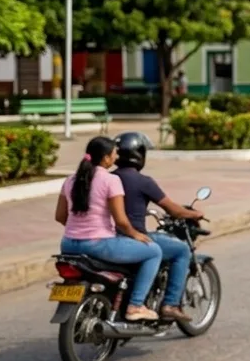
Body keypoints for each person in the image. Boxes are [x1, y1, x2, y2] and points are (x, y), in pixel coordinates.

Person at [54, 136, 163, 322]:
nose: (117, 156)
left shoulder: (70, 180)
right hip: (98, 244)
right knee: (154, 251)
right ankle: (136, 306)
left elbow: (60, 216)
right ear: (106, 158)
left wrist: (79, 230)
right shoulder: (110, 180)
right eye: (114, 153)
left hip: (68, 245)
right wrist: (136, 234)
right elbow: (121, 220)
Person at [112, 132, 204, 323]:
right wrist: (194, 214)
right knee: (181, 250)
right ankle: (170, 304)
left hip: (107, 237)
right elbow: (173, 210)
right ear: (139, 154)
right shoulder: (143, 181)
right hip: (133, 237)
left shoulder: (108, 178)